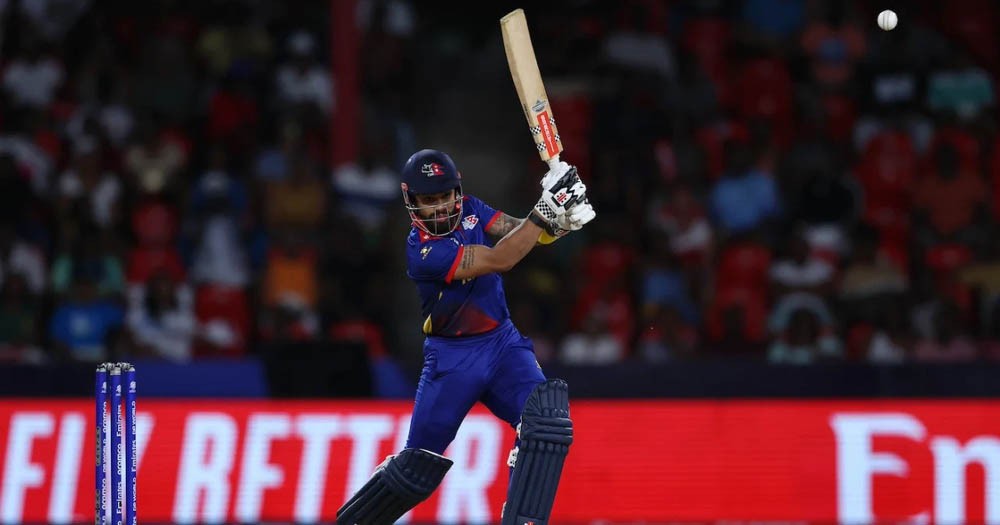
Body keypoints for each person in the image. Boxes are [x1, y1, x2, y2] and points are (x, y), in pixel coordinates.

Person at [336, 149, 595, 525]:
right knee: (416, 469)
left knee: (547, 422)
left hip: (503, 345)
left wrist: (560, 223)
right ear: (412, 202)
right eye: (429, 200)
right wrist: (546, 209)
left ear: (457, 191)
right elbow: (501, 259)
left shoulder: (472, 208)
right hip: (452, 360)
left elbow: (519, 232)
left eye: (445, 196)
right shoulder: (424, 252)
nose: (440, 207)